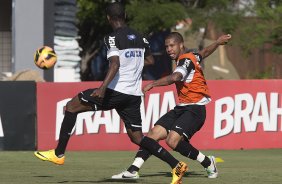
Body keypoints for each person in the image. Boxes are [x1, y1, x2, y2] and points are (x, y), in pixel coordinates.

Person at [34, 2, 188, 184]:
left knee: (71, 106)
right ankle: (176, 165)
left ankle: (59, 153)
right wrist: (132, 65)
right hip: (133, 95)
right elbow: (150, 60)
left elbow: (114, 64)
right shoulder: (141, 37)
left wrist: (102, 88)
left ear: (108, 18)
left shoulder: (112, 38)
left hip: (116, 91)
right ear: (125, 14)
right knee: (138, 138)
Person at [111, 32, 232, 179]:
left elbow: (176, 77)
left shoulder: (186, 61)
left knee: (172, 141)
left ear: (181, 45)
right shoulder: (192, 57)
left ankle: (208, 162)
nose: (169, 49)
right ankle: (133, 170)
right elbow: (204, 52)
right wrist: (217, 42)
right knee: (152, 135)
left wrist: (153, 84)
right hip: (182, 108)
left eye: (172, 45)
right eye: (166, 46)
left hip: (195, 109)